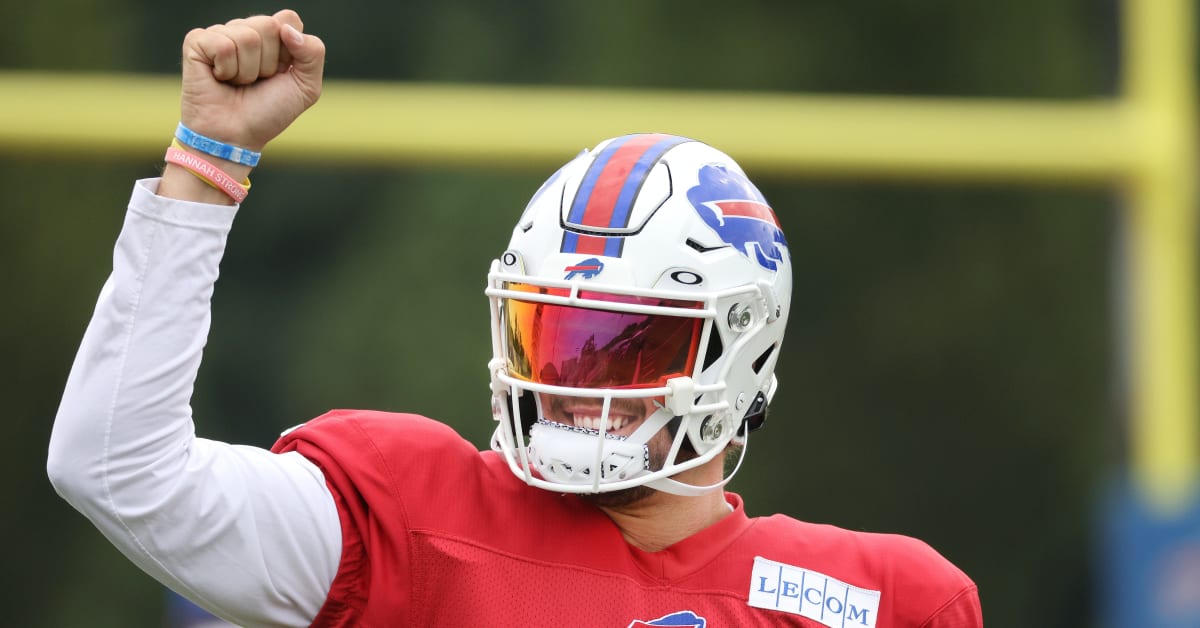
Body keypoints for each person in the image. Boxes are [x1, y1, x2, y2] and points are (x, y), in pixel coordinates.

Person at [47, 10, 983, 627]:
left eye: (624, 343)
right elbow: (116, 468)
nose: (575, 386)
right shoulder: (410, 522)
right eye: (556, 336)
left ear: (736, 349)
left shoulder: (884, 601)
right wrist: (207, 164)